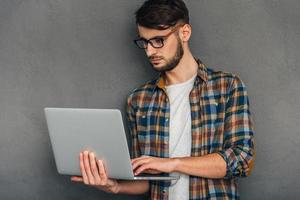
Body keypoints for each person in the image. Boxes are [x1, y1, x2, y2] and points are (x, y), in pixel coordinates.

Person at [71, 0, 255, 199]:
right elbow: (146, 180)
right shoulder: (138, 100)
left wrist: (171, 163)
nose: (150, 51)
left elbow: (241, 159)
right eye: (145, 42)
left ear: (184, 33)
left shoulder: (227, 86)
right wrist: (114, 186)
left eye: (158, 40)